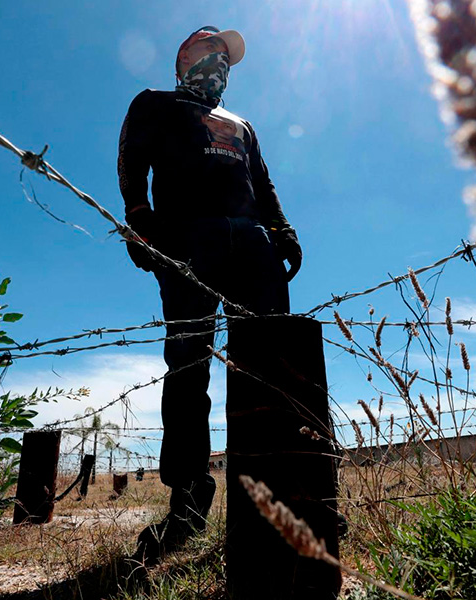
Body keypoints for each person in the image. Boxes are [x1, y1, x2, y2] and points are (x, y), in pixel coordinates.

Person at [118, 26, 302, 565]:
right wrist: (138, 217)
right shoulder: (154, 104)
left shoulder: (242, 125)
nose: (219, 62)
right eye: (209, 50)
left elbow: (263, 184)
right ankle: (187, 498)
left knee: (271, 362)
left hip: (252, 244)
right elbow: (132, 162)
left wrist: (282, 230)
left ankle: (282, 488)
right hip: (187, 239)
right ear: (183, 58)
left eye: (226, 58)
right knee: (187, 367)